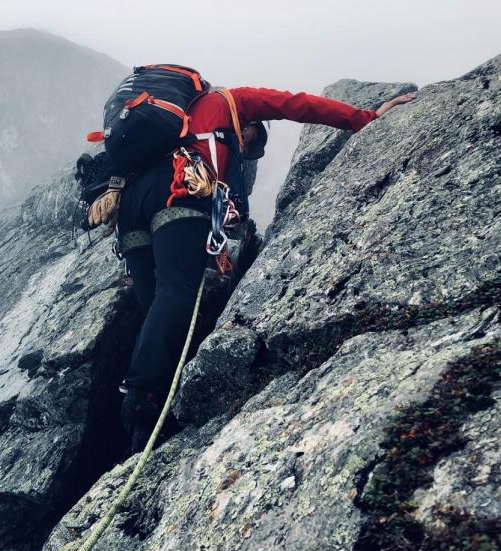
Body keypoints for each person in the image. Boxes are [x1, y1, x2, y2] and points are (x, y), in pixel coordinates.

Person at [89, 86, 416, 453]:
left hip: (130, 209)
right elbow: (298, 105)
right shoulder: (232, 100)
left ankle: (143, 419)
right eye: (250, 139)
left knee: (156, 310)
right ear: (248, 124)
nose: (244, 148)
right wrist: (365, 117)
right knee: (176, 291)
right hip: (178, 187)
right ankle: (143, 400)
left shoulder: (164, 122)